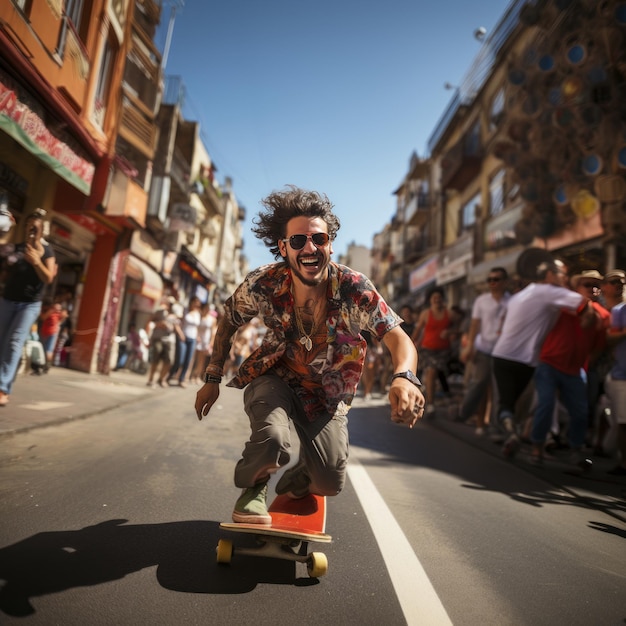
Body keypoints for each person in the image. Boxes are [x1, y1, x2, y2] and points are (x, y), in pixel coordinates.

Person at [194, 186, 424, 525]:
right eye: (298, 241)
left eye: (319, 239)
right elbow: (229, 319)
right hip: (275, 377)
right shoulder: (264, 283)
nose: (310, 248)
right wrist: (213, 376)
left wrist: (405, 377)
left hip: (327, 392)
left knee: (330, 479)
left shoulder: (354, 287)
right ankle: (254, 488)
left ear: (330, 244)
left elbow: (397, 338)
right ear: (283, 247)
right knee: (273, 439)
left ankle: (302, 474)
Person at [491, 259, 595, 458]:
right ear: (548, 275)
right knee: (526, 403)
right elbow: (583, 303)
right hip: (526, 360)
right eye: (561, 273)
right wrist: (589, 316)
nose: (564, 277)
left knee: (507, 404)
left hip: (501, 356)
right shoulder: (549, 291)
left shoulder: (521, 294)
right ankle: (519, 434)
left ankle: (511, 432)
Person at [529, 269, 607, 469]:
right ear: (576, 288)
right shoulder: (562, 307)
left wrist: (583, 364)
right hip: (549, 364)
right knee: (545, 405)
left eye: (596, 285)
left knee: (581, 413)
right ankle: (537, 446)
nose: (593, 288)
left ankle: (576, 450)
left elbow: (597, 348)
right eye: (587, 284)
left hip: (574, 370)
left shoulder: (603, 316)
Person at [0, 209, 56, 407]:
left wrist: (36, 262)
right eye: (28, 226)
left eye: (35, 227)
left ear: (41, 231)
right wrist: (7, 229)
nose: (31, 230)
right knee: (2, 341)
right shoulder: (17, 248)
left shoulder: (46, 252)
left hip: (29, 304)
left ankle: (3, 388)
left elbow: (48, 277)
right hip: (7, 300)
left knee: (14, 342)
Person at [458, 267, 511, 435]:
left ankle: (494, 427)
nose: (492, 283)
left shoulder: (512, 301)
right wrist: (469, 347)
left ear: (505, 282)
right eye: (490, 279)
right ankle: (466, 413)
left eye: (496, 279)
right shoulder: (481, 300)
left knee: (497, 391)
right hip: (482, 349)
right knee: (480, 383)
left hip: (503, 352)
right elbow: (474, 325)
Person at [411, 287, 452, 416]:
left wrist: (451, 332)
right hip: (428, 349)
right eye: (434, 298)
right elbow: (417, 332)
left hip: (444, 351)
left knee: (436, 374)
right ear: (430, 300)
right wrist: (410, 345)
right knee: (432, 371)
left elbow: (459, 329)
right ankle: (431, 404)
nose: (437, 300)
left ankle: (440, 396)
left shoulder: (449, 314)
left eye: (439, 298)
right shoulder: (425, 314)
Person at [604, 272, 626, 476]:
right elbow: (610, 340)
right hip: (621, 374)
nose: (618, 285)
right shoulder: (619, 311)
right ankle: (622, 462)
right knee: (623, 422)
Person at [169, 296, 202, 388]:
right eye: (195, 302)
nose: (196, 304)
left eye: (198, 303)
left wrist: (197, 336)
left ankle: (181, 379)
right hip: (183, 337)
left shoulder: (198, 313)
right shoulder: (185, 310)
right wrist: (180, 334)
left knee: (188, 361)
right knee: (180, 360)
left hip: (192, 339)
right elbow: (177, 323)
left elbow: (196, 327)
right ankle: (170, 375)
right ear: (191, 302)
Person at [38, 299, 68, 367]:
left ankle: (45, 364)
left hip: (51, 333)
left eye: (59, 309)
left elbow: (43, 318)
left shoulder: (54, 314)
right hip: (48, 332)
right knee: (47, 349)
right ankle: (46, 364)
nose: (58, 310)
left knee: (48, 349)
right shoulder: (54, 314)